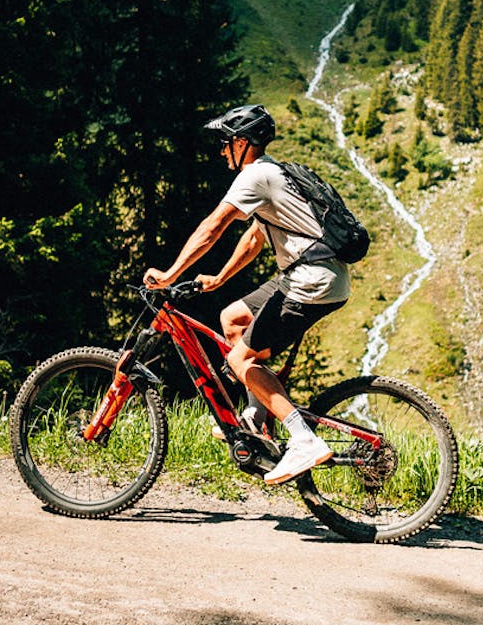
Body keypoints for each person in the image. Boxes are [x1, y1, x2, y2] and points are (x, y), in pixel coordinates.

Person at [143, 104, 351, 484]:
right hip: (315, 274)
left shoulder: (255, 175)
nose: (222, 151)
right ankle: (256, 418)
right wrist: (221, 278)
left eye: (225, 143)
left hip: (310, 280)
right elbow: (255, 236)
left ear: (242, 142)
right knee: (233, 318)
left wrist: (171, 273)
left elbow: (213, 226)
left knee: (240, 361)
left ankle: (303, 440)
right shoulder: (274, 174)